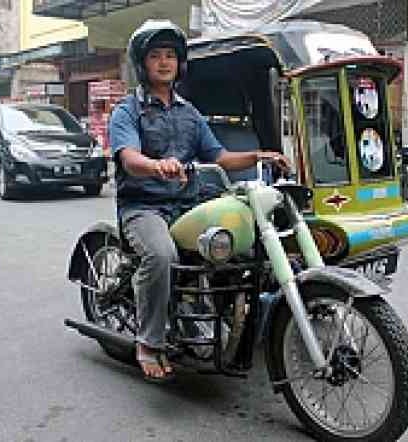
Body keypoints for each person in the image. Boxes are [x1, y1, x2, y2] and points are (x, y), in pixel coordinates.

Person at [109, 20, 290, 382]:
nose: (164, 62)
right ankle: (150, 342)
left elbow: (221, 157)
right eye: (156, 56)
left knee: (239, 244)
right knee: (161, 255)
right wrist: (156, 165)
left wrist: (258, 156)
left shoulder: (190, 113)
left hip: (187, 203)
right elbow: (128, 157)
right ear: (142, 64)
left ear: (179, 64)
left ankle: (222, 316)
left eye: (171, 56)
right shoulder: (127, 111)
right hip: (144, 207)